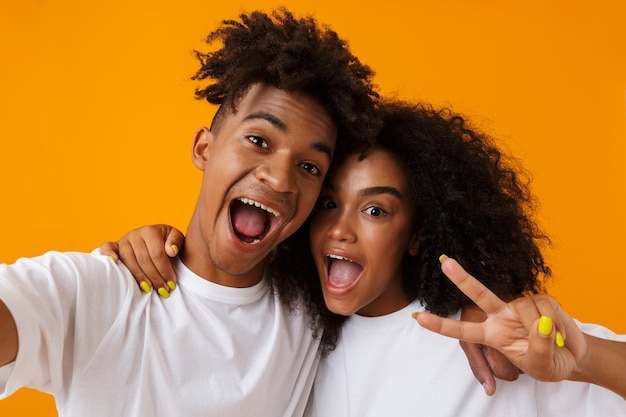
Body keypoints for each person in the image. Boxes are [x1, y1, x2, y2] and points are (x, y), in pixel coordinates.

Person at [110, 100, 626, 415]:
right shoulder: (296, 337)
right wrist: (152, 245)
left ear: (418, 235)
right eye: (329, 203)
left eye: (376, 209)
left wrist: (584, 360)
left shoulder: (491, 340)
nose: (340, 228)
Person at [0, 9, 381, 416]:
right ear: (204, 148)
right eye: (258, 139)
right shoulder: (105, 289)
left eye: (309, 167)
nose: (281, 179)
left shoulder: (313, 314)